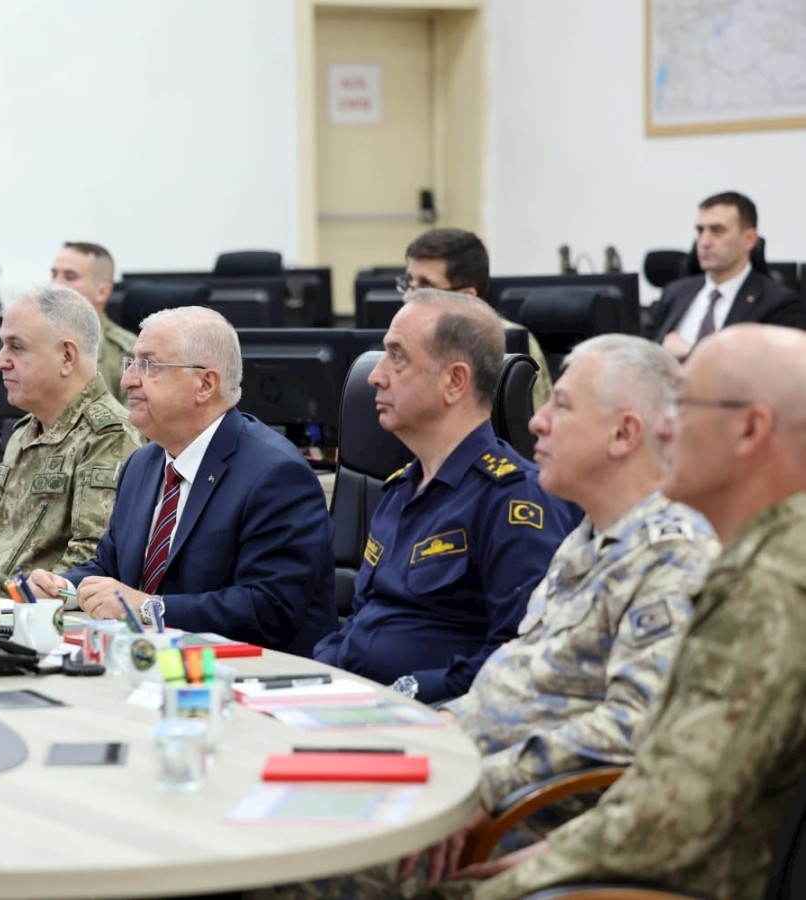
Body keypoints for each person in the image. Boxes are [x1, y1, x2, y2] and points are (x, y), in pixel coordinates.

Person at [447, 324, 806, 900]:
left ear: (751, 429)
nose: (663, 427)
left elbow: (681, 805)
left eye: (685, 406)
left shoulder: (765, 582)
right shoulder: (759, 556)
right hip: (589, 849)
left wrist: (504, 874)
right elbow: (663, 783)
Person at [314, 290, 579, 704]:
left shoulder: (513, 500)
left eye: (397, 357)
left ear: (455, 381)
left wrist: (407, 692)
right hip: (353, 702)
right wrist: (319, 676)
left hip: (433, 717)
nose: (376, 376)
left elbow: (519, 654)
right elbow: (361, 618)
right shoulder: (400, 489)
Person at [29, 306, 336, 657]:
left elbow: (268, 608)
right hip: (148, 662)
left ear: (205, 384)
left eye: (149, 365)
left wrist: (147, 607)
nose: (127, 380)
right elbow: (111, 566)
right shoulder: (142, 463)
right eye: (131, 364)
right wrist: (64, 586)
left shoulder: (276, 474)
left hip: (246, 675)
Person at [0, 285, 142, 593]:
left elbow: (91, 560)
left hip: (36, 623)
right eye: (2, 346)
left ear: (67, 356)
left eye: (16, 347)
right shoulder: (25, 431)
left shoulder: (108, 436)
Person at [401, 228, 552, 412]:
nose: (408, 297)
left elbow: (536, 428)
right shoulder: (401, 338)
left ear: (467, 297)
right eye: (409, 283)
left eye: (426, 287)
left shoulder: (508, 341)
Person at [646, 191, 805, 360]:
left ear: (749, 239)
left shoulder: (778, 303)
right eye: (701, 231)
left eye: (717, 230)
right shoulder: (675, 292)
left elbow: (772, 371)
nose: (704, 242)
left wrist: (693, 352)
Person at [51, 241, 137, 404]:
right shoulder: (39, 341)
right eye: (54, 274)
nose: (56, 284)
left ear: (102, 292)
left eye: (70, 277)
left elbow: (135, 425)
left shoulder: (127, 352)